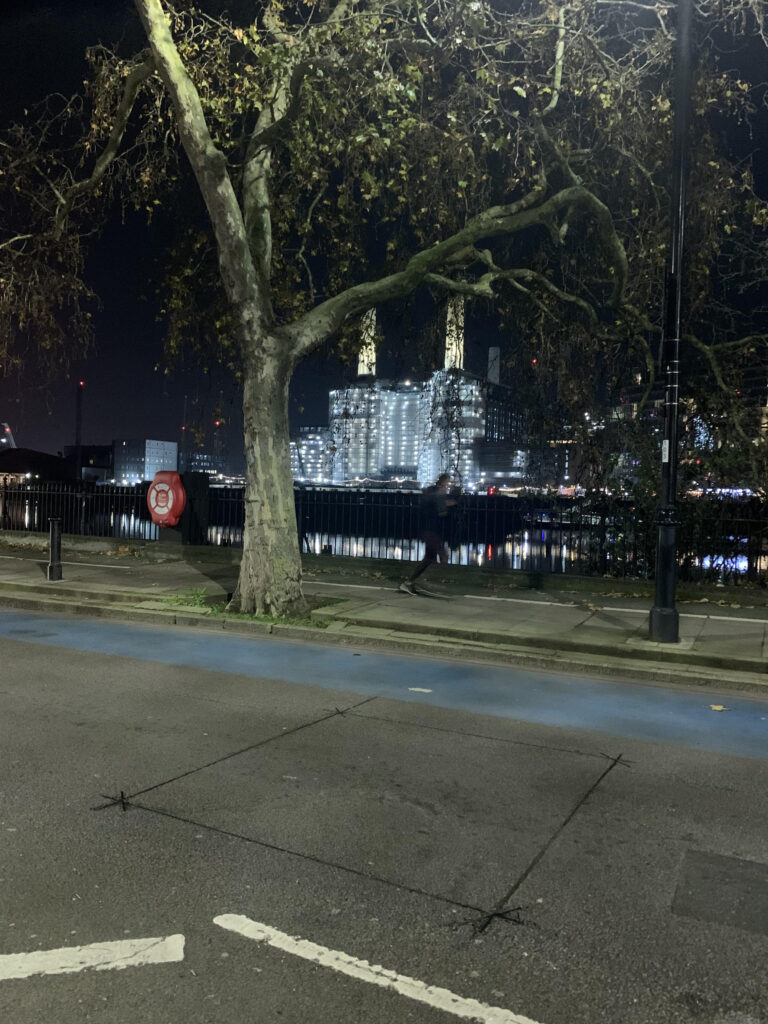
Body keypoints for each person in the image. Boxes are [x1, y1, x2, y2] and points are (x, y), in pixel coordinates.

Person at [399, 473, 456, 595]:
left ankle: (410, 582)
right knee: (442, 556)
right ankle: (432, 584)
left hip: (429, 530)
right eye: (448, 483)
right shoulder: (438, 495)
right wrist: (447, 504)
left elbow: (430, 505)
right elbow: (441, 512)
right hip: (431, 531)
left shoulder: (434, 493)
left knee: (430, 558)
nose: (449, 485)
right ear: (443, 483)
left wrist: (445, 503)